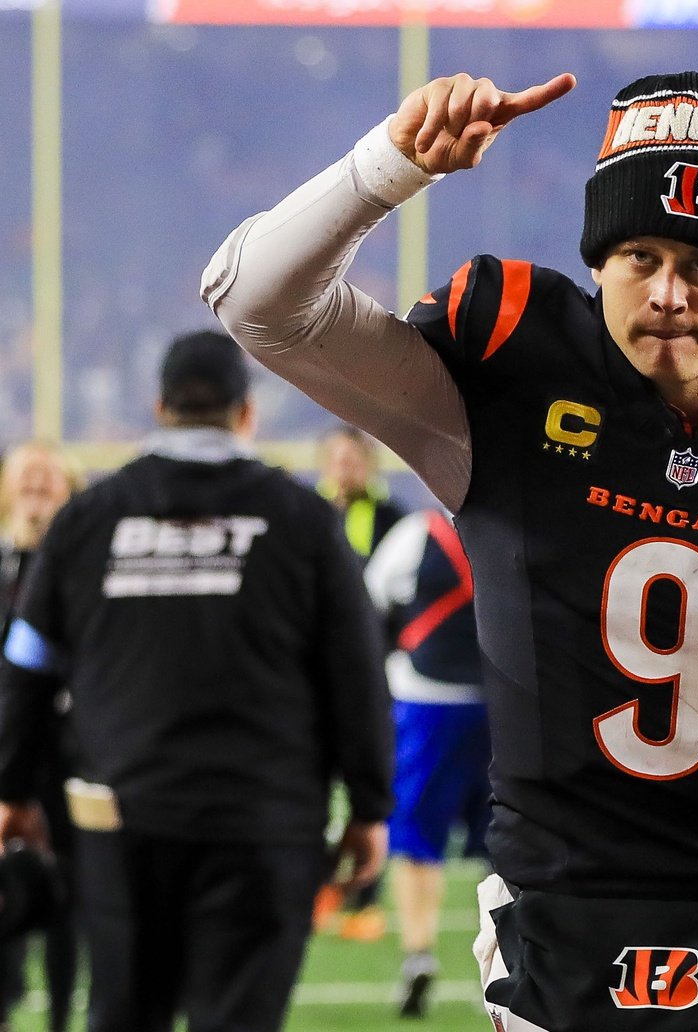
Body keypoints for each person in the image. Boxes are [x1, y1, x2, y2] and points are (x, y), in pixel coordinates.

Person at [203, 69, 698, 1030]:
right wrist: (389, 166)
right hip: (559, 930)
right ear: (597, 262)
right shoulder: (505, 380)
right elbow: (252, 299)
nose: (670, 292)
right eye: (640, 254)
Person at [0, 331, 395, 1032]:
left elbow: (27, 664)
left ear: (159, 406)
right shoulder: (303, 520)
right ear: (247, 415)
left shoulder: (86, 520)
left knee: (124, 1013)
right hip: (263, 820)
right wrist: (368, 805)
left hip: (123, 820)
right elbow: (355, 670)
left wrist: (13, 788)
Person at [362, 507, 492, 1018]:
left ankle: (418, 951)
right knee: (512, 840)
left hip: (427, 700)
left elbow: (372, 602)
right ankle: (508, 960)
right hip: (509, 704)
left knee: (416, 838)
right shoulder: (517, 523)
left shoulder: (418, 532)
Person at [0, 440, 82, 1032]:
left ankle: (58, 1016)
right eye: (25, 479)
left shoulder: (80, 567)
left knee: (65, 897)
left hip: (65, 754)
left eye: (46, 480)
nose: (34, 489)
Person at [312, 423, 405, 942]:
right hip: (321, 670)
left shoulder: (392, 520)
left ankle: (366, 899)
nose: (346, 467)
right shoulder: (310, 515)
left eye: (355, 459)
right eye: (338, 458)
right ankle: (322, 889)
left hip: (379, 669)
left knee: (371, 777)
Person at [317, 423, 408, 561]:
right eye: (343, 463)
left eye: (354, 464)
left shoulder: (388, 516)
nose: (347, 472)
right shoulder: (313, 511)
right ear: (328, 465)